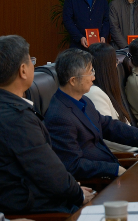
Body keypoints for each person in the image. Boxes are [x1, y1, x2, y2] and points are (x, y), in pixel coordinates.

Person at [0, 35, 94, 214]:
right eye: (31, 61)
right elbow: (46, 169)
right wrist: (78, 194)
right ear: (23, 71)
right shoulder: (18, 118)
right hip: (35, 208)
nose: (33, 65)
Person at [44, 49, 138, 180]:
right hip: (100, 180)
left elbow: (108, 125)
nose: (93, 77)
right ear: (73, 81)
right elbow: (74, 165)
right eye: (90, 73)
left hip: (111, 166)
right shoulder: (59, 117)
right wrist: (114, 169)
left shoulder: (83, 100)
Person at [85, 42, 138, 152]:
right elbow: (108, 136)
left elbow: (125, 129)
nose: (117, 65)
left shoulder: (105, 90)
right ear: (106, 66)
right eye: (115, 61)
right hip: (124, 156)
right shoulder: (94, 93)